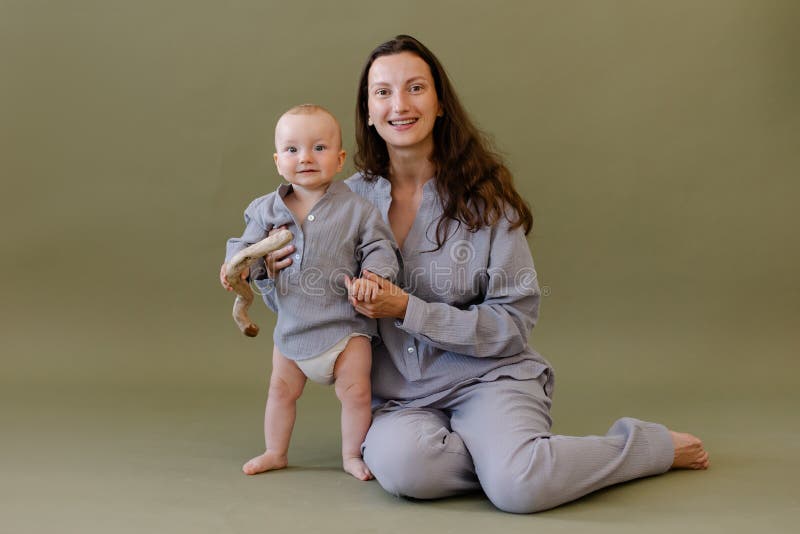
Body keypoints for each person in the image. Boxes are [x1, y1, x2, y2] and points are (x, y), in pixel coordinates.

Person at [264, 36, 710, 513]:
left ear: (439, 105)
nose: (399, 104)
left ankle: (643, 447)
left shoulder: (486, 199)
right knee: (406, 470)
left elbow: (512, 323)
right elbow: (308, 308)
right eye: (382, 92)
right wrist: (273, 277)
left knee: (522, 490)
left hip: (489, 377)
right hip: (400, 399)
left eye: (415, 88)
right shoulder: (337, 203)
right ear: (368, 113)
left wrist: (407, 309)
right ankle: (511, 460)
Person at [220, 104, 399, 481]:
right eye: (292, 150)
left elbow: (381, 249)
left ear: (339, 158)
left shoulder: (358, 210)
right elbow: (244, 246)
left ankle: (352, 454)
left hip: (345, 329)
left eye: (319, 148)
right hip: (292, 329)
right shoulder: (265, 210)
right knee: (281, 392)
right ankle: (275, 450)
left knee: (356, 393)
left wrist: (373, 275)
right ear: (277, 160)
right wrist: (235, 266)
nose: (305, 158)